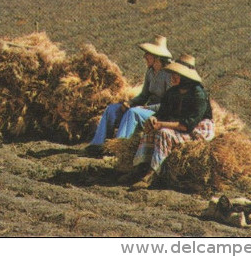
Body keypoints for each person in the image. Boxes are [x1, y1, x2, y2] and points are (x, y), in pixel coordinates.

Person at [127, 53, 215, 189]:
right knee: (150, 130)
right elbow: (162, 112)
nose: (172, 77)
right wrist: (154, 119)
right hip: (178, 123)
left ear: (185, 77)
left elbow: (187, 125)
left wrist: (161, 124)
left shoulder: (199, 95)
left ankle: (152, 174)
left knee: (164, 133)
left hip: (196, 128)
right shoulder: (172, 92)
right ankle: (138, 168)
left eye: (176, 74)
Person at [85, 35, 172, 156]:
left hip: (160, 113)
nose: (144, 56)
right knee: (112, 109)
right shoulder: (150, 72)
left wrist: (146, 108)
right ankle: (98, 145)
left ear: (156, 57)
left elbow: (169, 104)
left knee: (133, 113)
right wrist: (130, 103)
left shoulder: (169, 75)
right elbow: (144, 95)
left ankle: (119, 148)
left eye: (147, 53)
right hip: (146, 110)